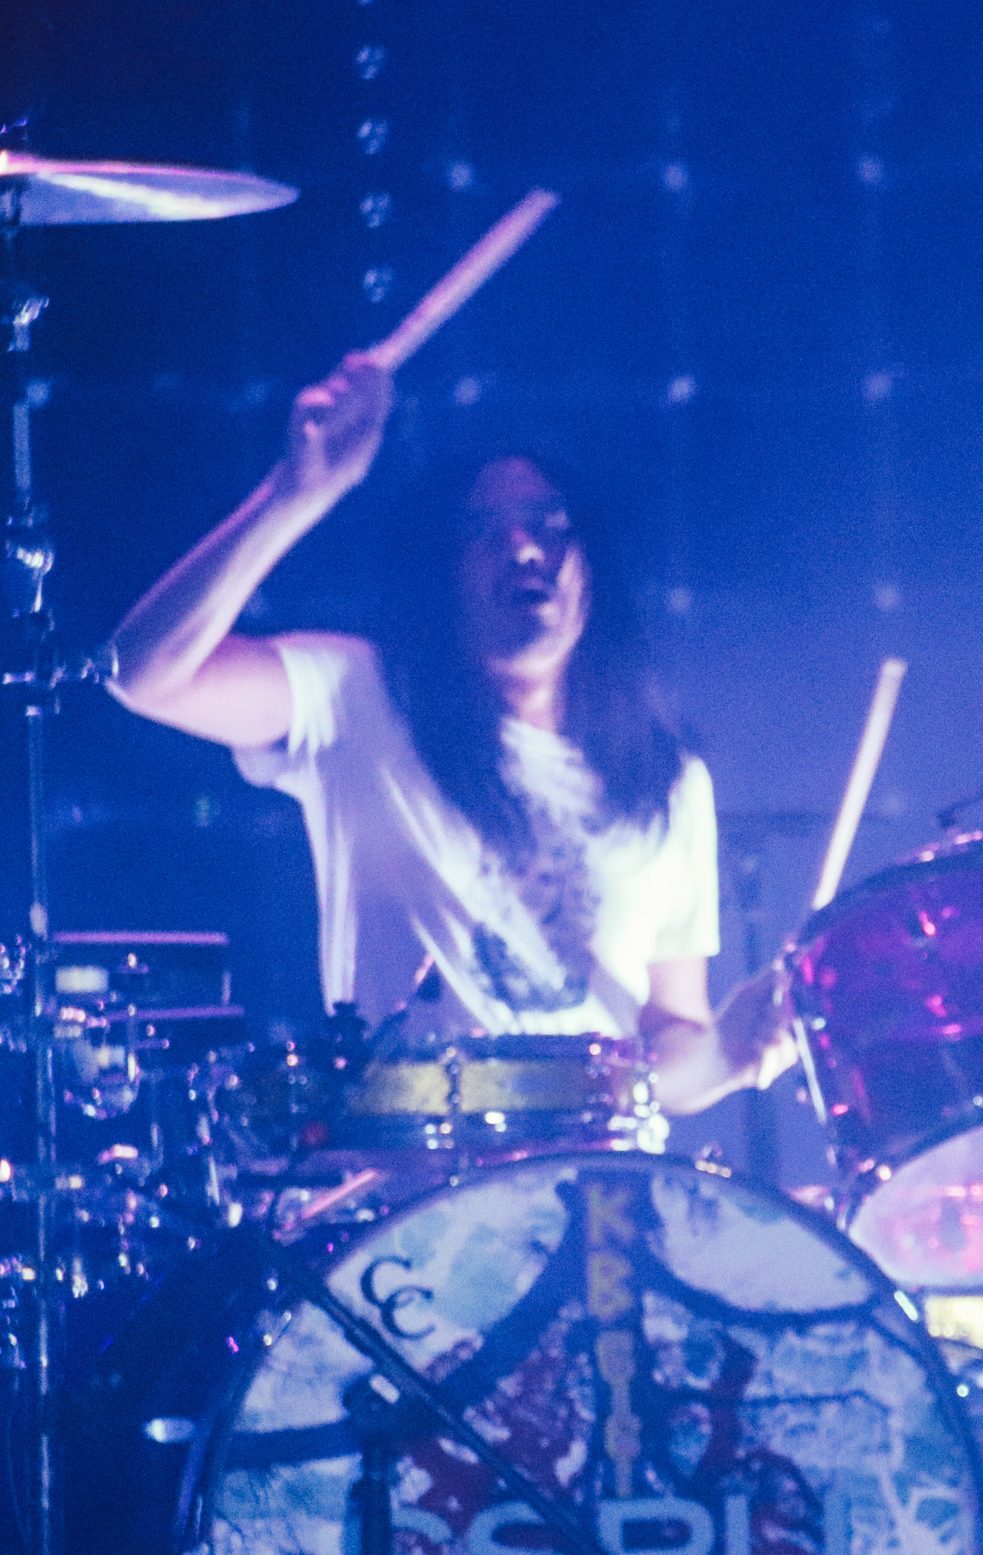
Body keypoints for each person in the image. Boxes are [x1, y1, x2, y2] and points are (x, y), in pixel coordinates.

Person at [107, 352, 793, 1115]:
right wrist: (293, 498)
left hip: (595, 1193)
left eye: (550, 523)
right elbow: (144, 672)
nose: (526, 547)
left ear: (592, 565)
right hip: (413, 1188)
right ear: (445, 573)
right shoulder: (357, 696)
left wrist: (732, 1051)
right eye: (486, 531)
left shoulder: (667, 776)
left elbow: (670, 1051)